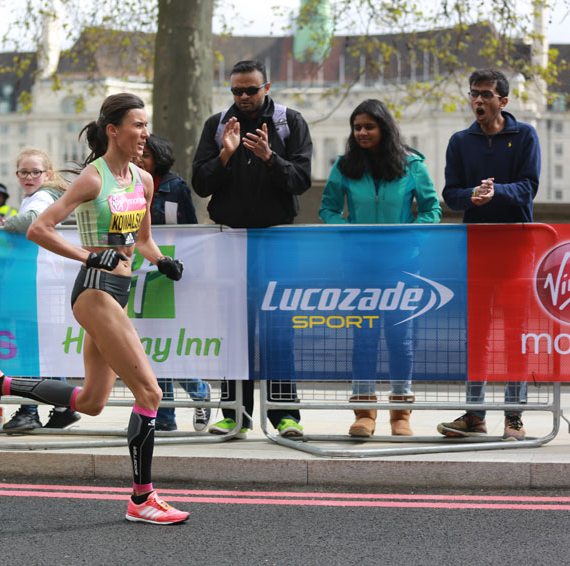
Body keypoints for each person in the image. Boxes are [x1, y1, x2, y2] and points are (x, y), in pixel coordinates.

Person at [0, 93, 190, 525]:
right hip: (94, 291)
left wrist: (162, 260)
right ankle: (142, 498)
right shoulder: (92, 178)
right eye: (138, 125)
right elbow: (39, 229)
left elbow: (141, 240)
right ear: (113, 131)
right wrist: (89, 257)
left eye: (146, 125)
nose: (145, 133)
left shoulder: (143, 180)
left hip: (118, 290)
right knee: (150, 394)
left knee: (91, 401)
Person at [192, 59, 313, 439]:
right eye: (236, 91)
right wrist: (225, 155)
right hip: (230, 242)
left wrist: (270, 157)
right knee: (233, 330)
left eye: (250, 90)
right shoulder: (217, 125)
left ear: (267, 87)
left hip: (276, 241)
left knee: (279, 329)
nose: (243, 97)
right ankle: (234, 414)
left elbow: (301, 181)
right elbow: (200, 183)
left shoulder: (289, 123)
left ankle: (285, 415)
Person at [319, 98, 441, 437]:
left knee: (401, 339)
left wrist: (409, 237)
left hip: (403, 266)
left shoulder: (412, 164)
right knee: (364, 338)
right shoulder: (344, 165)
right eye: (357, 127)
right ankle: (364, 414)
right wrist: (348, 231)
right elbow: (328, 209)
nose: (362, 132)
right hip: (359, 266)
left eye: (369, 127)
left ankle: (401, 414)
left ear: (384, 129)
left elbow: (432, 209)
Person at [437, 68, 540, 441]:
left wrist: (497, 192)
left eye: (485, 94)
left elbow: (529, 187)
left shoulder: (525, 135)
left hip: (515, 251)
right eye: (473, 93)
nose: (478, 100)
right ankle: (474, 414)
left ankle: (514, 417)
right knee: (476, 336)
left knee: (515, 335)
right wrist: (472, 196)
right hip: (477, 251)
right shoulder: (459, 141)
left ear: (503, 101)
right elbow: (451, 194)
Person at [0, 147, 81, 432]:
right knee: (45, 348)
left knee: (29, 348)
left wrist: (7, 223)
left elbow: (29, 221)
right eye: (24, 172)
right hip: (39, 280)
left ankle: (29, 410)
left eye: (35, 172)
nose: (29, 176)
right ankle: (63, 407)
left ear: (47, 174)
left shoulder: (42, 197)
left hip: (35, 282)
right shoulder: (40, 196)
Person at [133, 133, 210, 432]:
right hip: (138, 271)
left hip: (170, 272)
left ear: (160, 158)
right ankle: (164, 417)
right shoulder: (127, 183)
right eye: (138, 154)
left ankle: (199, 392)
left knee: (166, 343)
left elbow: (191, 232)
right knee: (150, 347)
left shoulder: (175, 187)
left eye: (146, 155)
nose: (139, 160)